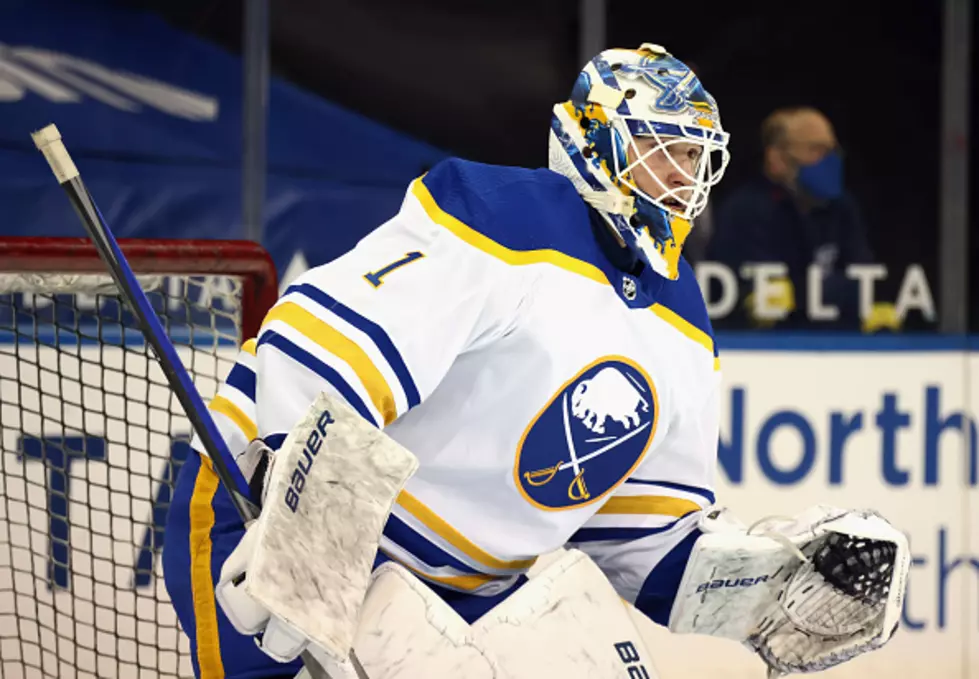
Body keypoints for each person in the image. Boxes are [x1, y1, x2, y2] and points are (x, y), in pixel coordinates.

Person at [162, 46, 906, 679]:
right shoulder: (498, 214)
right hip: (261, 508)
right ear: (596, 142)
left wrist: (778, 585)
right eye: (660, 147)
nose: (681, 176)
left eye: (691, 155)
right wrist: (297, 529)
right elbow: (322, 347)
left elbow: (641, 542)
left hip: (448, 596)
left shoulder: (681, 319)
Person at [707, 106, 899, 331]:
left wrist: (805, 293)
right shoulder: (744, 211)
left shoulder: (842, 207)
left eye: (833, 150)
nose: (829, 160)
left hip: (838, 344)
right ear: (776, 158)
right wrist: (833, 291)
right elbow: (759, 297)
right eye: (816, 150)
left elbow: (864, 279)